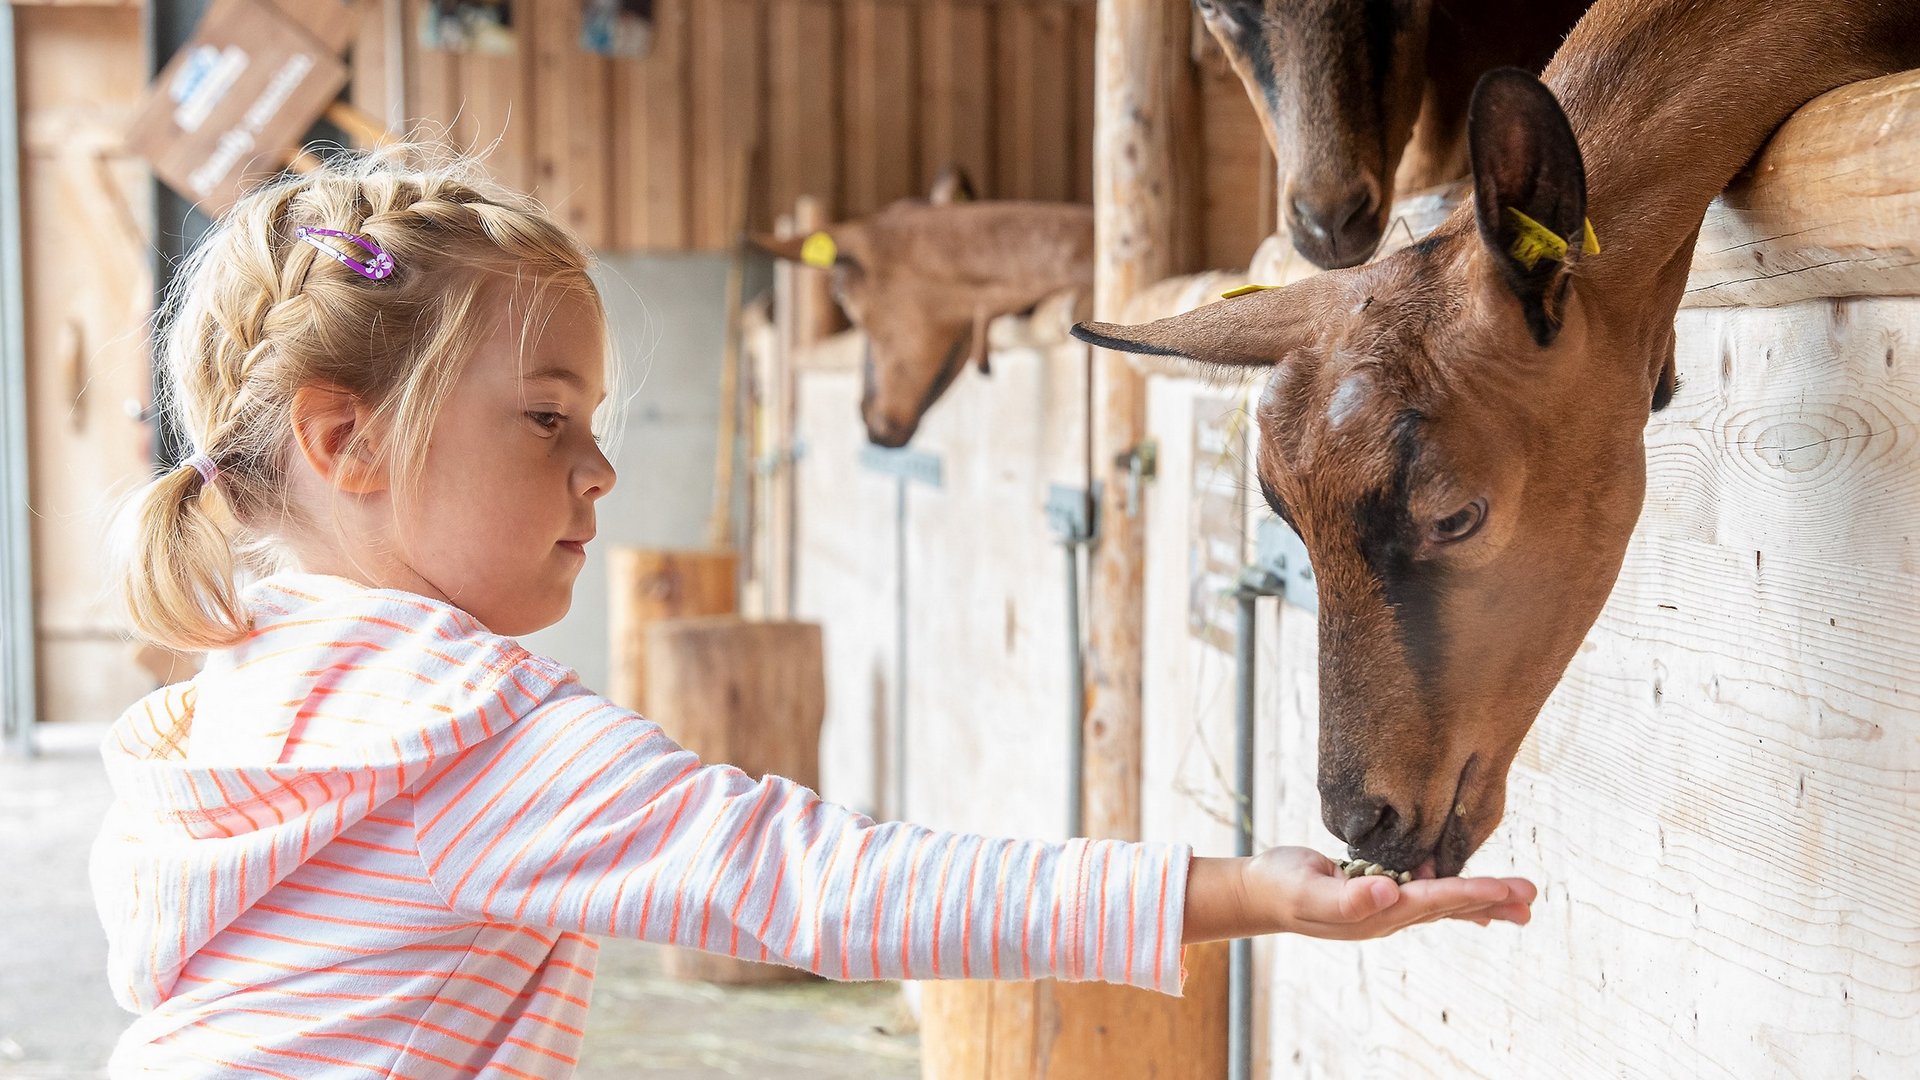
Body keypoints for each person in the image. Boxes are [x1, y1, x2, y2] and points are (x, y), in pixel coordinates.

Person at [92, 146, 1535, 1077]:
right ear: (343, 443)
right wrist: (1242, 893)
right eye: (544, 420)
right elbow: (832, 888)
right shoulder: (459, 732)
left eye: (591, 419)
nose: (599, 469)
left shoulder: (240, 694)